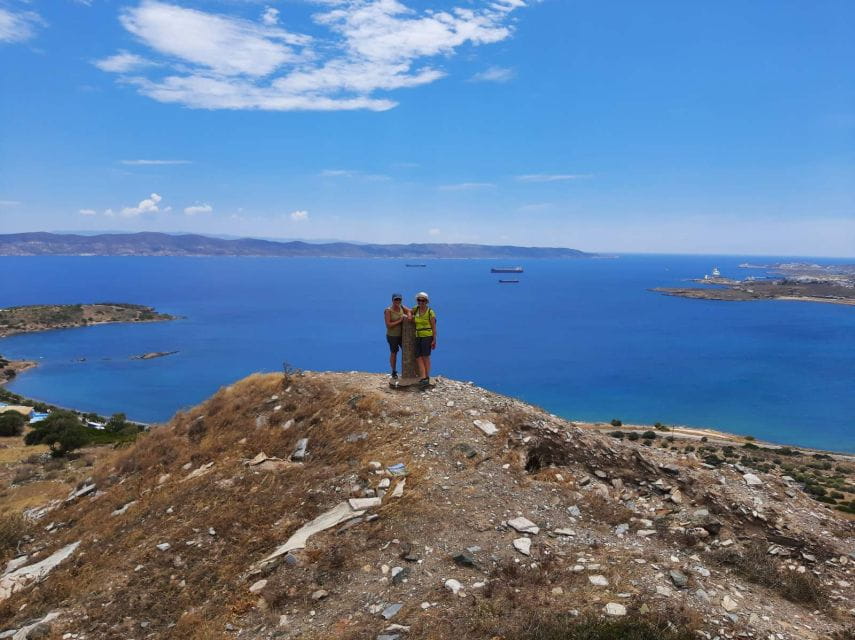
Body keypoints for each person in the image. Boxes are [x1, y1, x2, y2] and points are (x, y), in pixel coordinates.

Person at [412, 291, 436, 387]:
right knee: (418, 357)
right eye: (419, 300)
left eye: (423, 300)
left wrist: (434, 340)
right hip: (418, 336)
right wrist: (410, 315)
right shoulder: (416, 309)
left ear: (426, 301)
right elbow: (409, 311)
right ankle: (423, 377)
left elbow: (434, 327)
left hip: (427, 336)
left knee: (425, 356)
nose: (421, 302)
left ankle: (426, 377)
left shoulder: (430, 312)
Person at [384, 293, 410, 379]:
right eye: (396, 299)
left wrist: (409, 315)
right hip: (392, 336)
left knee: (407, 351)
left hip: (402, 335)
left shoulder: (401, 307)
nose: (397, 301)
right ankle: (394, 371)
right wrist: (400, 320)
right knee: (394, 353)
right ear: (392, 300)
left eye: (399, 299)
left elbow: (409, 310)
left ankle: (408, 372)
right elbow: (388, 325)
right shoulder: (388, 310)